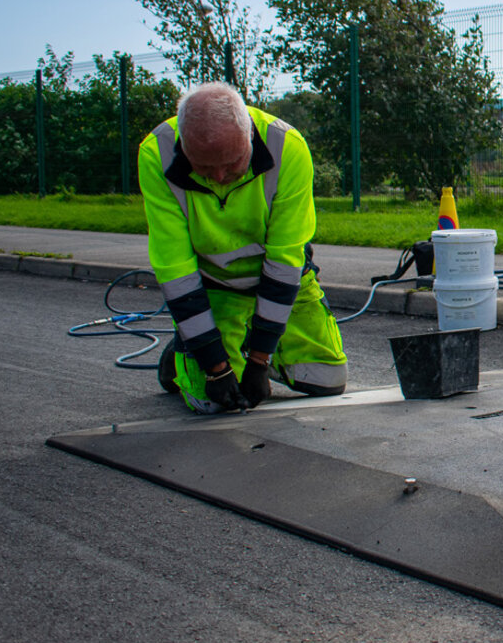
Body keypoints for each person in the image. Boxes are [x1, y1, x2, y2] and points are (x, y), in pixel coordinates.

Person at [139, 82, 347, 414]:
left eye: (233, 163)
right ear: (184, 147)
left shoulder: (286, 147)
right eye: (204, 168)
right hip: (214, 287)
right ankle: (184, 354)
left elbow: (285, 261)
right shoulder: (157, 154)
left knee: (327, 379)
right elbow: (174, 269)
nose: (220, 176)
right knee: (211, 401)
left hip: (276, 277)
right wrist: (215, 367)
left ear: (249, 135)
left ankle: (260, 345)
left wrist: (259, 362)